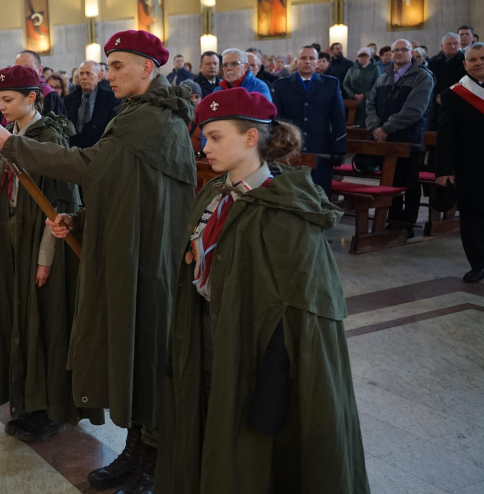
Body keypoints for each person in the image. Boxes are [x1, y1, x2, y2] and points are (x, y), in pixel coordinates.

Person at [0, 30, 196, 494]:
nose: (108, 74)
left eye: (117, 66)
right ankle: (134, 451)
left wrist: (10, 145)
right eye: (108, 65)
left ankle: (152, 462)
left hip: (149, 258)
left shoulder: (153, 119)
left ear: (147, 69)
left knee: (148, 353)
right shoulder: (139, 113)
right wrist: (79, 219)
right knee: (130, 352)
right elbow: (121, 188)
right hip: (128, 247)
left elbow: (88, 166)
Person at [155, 88, 370, 494]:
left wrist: (269, 393)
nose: (204, 146)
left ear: (251, 138)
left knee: (252, 459)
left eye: (216, 137)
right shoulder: (215, 193)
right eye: (203, 136)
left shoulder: (286, 211)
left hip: (256, 359)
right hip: (208, 336)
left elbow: (299, 317)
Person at [0, 64, 85, 442]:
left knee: (43, 324)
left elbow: (58, 203)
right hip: (11, 239)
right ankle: (24, 399)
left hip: (40, 244)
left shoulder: (49, 139)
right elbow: (4, 200)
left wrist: (45, 257)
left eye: (8, 100)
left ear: (32, 98)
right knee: (16, 319)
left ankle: (48, 408)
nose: (0, 106)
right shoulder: (9, 136)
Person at [365, 39, 434, 235]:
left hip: (408, 138)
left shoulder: (422, 77)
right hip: (384, 140)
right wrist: (375, 127)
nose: (399, 53)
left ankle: (408, 224)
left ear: (412, 53)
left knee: (409, 182)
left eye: (404, 50)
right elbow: (370, 105)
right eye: (396, 50)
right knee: (390, 180)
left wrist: (386, 128)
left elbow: (414, 110)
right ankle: (393, 219)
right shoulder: (383, 77)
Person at [270, 45, 347, 196]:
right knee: (290, 193)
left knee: (318, 193)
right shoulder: (282, 85)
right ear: (297, 61)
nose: (308, 61)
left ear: (317, 62)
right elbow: (276, 120)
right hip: (290, 148)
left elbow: (338, 118)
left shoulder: (330, 84)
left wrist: (339, 148)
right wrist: (277, 147)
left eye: (312, 58)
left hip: (320, 148)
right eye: (304, 58)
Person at [437, 42, 484, 282]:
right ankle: (478, 263)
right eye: (473, 60)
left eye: (482, 58)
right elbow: (445, 137)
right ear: (465, 65)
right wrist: (444, 170)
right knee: (473, 216)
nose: (478, 63)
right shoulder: (454, 95)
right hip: (471, 167)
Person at [63, 60, 120, 148]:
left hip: (100, 149)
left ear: (99, 76)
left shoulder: (111, 99)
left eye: (88, 73)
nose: (84, 77)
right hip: (73, 150)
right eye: (81, 74)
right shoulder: (69, 99)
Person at [428, 33, 466, 131]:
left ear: (460, 44)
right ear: (442, 46)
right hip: (437, 102)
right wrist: (436, 95)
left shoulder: (466, 60)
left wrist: (448, 96)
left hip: (459, 101)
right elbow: (430, 82)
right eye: (449, 44)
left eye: (455, 43)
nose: (452, 46)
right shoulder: (434, 61)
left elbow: (466, 81)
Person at [14, 50, 66, 117]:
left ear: (40, 70)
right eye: (17, 69)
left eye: (27, 68)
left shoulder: (49, 95)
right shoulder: (13, 92)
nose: (21, 73)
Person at [343, 47, 382, 126]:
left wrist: (365, 95)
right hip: (352, 100)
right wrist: (353, 94)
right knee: (352, 123)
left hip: (368, 100)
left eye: (365, 56)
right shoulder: (352, 69)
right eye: (361, 56)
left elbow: (377, 84)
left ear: (370, 57)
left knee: (364, 123)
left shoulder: (375, 69)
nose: (363, 58)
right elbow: (345, 83)